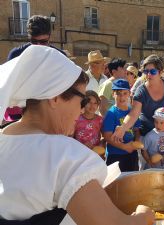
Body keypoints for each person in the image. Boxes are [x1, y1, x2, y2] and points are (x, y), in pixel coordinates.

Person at [0, 45, 154, 225]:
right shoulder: (65, 155)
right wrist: (144, 215)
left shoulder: (4, 138)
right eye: (81, 100)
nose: (82, 109)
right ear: (55, 97)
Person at [3, 15, 66, 127]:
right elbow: (7, 85)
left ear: (50, 37)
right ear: (29, 37)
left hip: (49, 113)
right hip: (20, 113)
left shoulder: (60, 56)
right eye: (34, 41)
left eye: (43, 42)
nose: (38, 46)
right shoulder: (16, 54)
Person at [111, 54, 164, 141]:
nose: (148, 75)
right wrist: (123, 128)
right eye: (146, 71)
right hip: (147, 137)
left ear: (161, 72)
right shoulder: (141, 91)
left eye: (153, 72)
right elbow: (134, 114)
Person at [102, 79, 141, 172]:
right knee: (116, 183)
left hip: (131, 153)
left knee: (131, 179)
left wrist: (136, 142)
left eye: (125, 93)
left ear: (129, 94)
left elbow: (137, 130)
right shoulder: (111, 113)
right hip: (116, 154)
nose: (122, 96)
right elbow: (107, 137)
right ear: (113, 94)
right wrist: (125, 147)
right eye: (118, 93)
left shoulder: (132, 111)